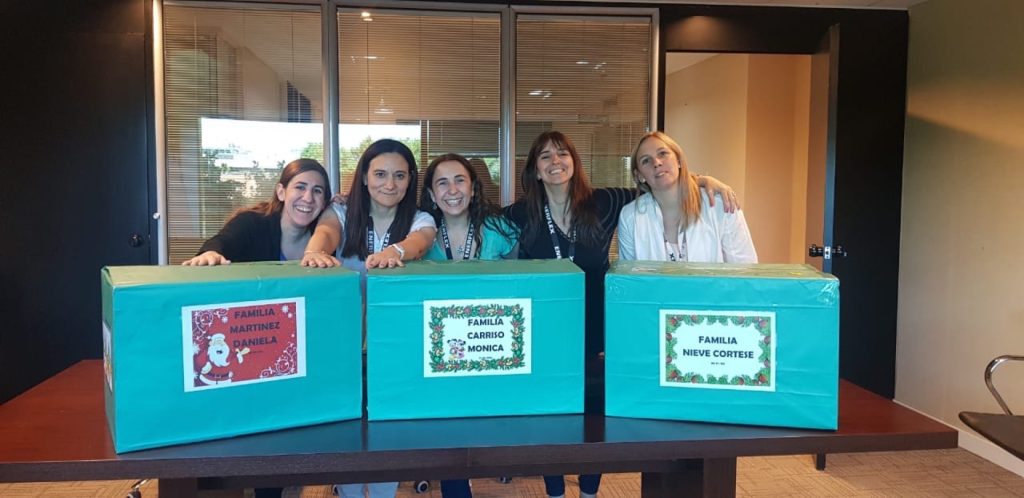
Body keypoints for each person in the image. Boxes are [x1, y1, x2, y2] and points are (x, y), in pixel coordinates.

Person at [504, 131, 738, 498]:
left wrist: (704, 179)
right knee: (551, 416)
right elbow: (481, 226)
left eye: (562, 154)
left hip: (599, 331)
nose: (555, 162)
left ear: (574, 162)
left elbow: (662, 184)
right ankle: (553, 490)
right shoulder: (520, 214)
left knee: (593, 419)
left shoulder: (604, 202)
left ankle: (589, 490)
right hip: (546, 332)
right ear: (534, 169)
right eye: (545, 157)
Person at [183, 158, 330, 498]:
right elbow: (220, 242)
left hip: (293, 354)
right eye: (300, 187)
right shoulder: (254, 224)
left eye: (317, 191)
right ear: (281, 191)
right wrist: (210, 255)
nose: (308, 197)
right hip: (245, 348)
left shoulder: (321, 238)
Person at [300, 139, 435, 498]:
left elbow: (421, 241)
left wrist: (395, 251)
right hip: (342, 347)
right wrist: (315, 252)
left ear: (410, 181)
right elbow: (327, 232)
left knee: (386, 432)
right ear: (363, 176)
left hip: (393, 349)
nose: (389, 184)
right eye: (380, 174)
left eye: (399, 175)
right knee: (346, 430)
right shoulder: (342, 213)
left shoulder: (420, 218)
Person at [618, 131, 757, 263]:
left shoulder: (721, 204)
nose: (657, 163)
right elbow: (629, 280)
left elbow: (745, 271)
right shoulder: (630, 217)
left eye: (663, 153)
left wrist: (702, 180)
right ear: (639, 175)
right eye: (646, 161)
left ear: (678, 160)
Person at [420, 153, 518, 262]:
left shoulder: (499, 229)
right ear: (432, 194)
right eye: (443, 183)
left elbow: (519, 274)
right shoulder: (422, 237)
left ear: (472, 189)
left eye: (460, 180)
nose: (453, 190)